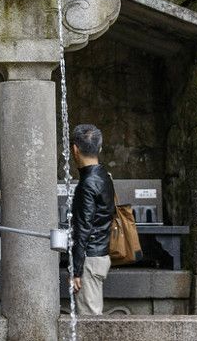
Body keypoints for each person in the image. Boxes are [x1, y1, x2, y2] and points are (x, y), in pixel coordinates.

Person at [70, 123, 115, 315]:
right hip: (100, 254)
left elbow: (83, 229)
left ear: (75, 149)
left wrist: (77, 270)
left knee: (90, 320)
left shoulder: (86, 185)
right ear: (100, 148)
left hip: (90, 259)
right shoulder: (105, 176)